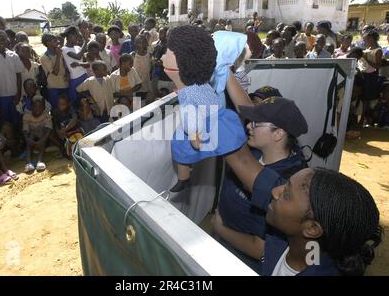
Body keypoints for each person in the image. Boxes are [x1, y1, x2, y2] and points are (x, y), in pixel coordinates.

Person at [217, 140, 382, 275]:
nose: (274, 192)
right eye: (285, 184)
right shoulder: (310, 248)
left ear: (312, 229)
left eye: (286, 194)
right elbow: (242, 160)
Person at [214, 97, 308, 272]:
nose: (249, 125)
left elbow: (261, 249)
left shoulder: (288, 186)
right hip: (223, 244)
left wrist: (220, 229)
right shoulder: (255, 151)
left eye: (256, 123)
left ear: (278, 133)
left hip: (243, 263)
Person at [162, 25, 247, 193]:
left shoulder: (188, 93)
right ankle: (186, 173)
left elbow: (191, 117)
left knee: (179, 143)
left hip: (208, 125)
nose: (162, 57)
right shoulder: (201, 83)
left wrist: (193, 136)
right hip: (219, 116)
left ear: (182, 62)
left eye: (167, 54)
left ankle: (184, 177)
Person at [0, 30, 23, 125]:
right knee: (1, 120)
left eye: (4, 38)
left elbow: (19, 76)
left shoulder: (14, 56)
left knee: (15, 119)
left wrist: (18, 93)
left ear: (7, 40)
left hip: (13, 95)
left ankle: (16, 138)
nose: (1, 41)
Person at [23, 96, 53, 173]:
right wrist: (28, 139)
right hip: (31, 136)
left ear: (44, 108)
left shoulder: (47, 116)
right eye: (35, 107)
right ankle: (28, 163)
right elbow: (25, 130)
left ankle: (40, 161)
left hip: (42, 136)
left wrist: (42, 140)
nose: (37, 109)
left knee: (42, 135)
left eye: (40, 107)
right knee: (29, 139)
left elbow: (49, 129)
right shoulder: (26, 116)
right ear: (31, 107)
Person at [359, 29, 383, 126]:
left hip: (371, 76)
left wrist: (365, 58)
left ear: (371, 39)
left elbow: (377, 66)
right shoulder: (368, 48)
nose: (364, 40)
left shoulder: (378, 50)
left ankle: (365, 120)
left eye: (365, 38)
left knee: (367, 99)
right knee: (363, 98)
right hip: (364, 74)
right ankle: (364, 119)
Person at [61, 26, 90, 105]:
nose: (77, 38)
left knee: (86, 100)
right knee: (76, 101)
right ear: (70, 36)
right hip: (75, 79)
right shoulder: (64, 49)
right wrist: (86, 41)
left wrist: (79, 64)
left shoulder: (77, 47)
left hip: (84, 75)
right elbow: (78, 56)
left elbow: (87, 64)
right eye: (76, 36)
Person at [40, 33, 69, 110]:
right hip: (54, 87)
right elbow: (55, 72)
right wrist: (58, 56)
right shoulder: (44, 57)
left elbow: (65, 66)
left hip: (65, 85)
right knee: (56, 110)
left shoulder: (59, 52)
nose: (58, 41)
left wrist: (67, 73)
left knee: (66, 108)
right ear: (48, 43)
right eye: (55, 40)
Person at [52, 94, 81, 158]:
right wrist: (59, 132)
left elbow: (75, 119)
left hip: (70, 130)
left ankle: (71, 149)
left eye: (63, 104)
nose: (61, 106)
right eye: (59, 104)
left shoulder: (70, 109)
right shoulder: (55, 112)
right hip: (60, 132)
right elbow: (55, 125)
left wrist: (65, 129)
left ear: (68, 104)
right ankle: (62, 148)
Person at [151, 27, 173, 94]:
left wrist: (159, 63)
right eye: (159, 33)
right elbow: (153, 59)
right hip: (157, 75)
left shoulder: (170, 47)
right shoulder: (157, 44)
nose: (160, 35)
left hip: (167, 77)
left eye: (162, 33)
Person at [132, 34, 152, 102]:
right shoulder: (132, 55)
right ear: (135, 44)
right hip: (135, 88)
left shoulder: (149, 55)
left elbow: (151, 70)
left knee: (147, 108)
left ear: (146, 43)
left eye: (144, 42)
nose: (142, 44)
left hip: (147, 87)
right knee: (137, 108)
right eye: (139, 42)